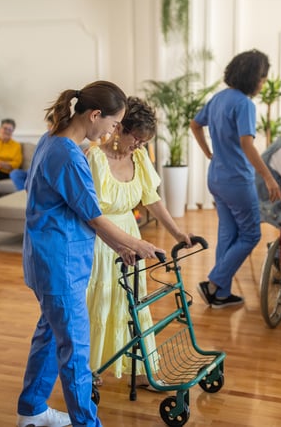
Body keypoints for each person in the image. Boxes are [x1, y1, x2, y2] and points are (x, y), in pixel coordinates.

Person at [17, 81, 165, 427]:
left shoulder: (50, 140)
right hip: (60, 263)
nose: (114, 131)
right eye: (114, 124)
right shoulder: (69, 155)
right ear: (95, 115)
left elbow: (74, 208)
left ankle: (32, 410)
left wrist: (122, 246)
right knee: (75, 352)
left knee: (50, 334)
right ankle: (87, 423)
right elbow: (94, 216)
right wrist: (137, 244)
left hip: (47, 257)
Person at [86, 96, 192, 387]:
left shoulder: (140, 158)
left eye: (145, 141)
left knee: (133, 304)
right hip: (101, 238)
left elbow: (152, 200)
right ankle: (91, 369)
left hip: (131, 236)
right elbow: (89, 213)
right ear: (119, 129)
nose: (140, 146)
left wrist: (177, 233)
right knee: (101, 302)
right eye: (138, 139)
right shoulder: (94, 158)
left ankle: (144, 369)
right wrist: (118, 242)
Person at [190, 49, 281, 308]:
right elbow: (247, 144)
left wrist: (210, 153)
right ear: (253, 77)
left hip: (216, 178)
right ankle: (213, 283)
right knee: (252, 234)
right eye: (263, 78)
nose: (264, 83)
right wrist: (269, 178)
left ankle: (220, 295)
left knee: (228, 234)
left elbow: (195, 124)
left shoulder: (218, 98)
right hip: (237, 181)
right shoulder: (244, 104)